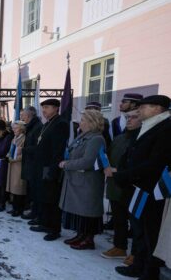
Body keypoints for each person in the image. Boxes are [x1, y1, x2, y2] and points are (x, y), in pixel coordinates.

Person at [109, 95, 171, 280]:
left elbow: (155, 163)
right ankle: (138, 265)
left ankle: (150, 275)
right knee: (139, 229)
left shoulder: (166, 128)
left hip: (152, 190)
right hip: (136, 187)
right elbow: (133, 153)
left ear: (157, 108)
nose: (140, 110)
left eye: (144, 107)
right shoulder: (148, 125)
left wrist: (126, 175)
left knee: (151, 232)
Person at [58, 110, 106, 250]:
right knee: (80, 211)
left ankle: (88, 239)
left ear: (92, 123)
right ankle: (80, 235)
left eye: (84, 120)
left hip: (88, 182)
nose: (81, 122)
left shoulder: (96, 139)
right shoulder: (83, 136)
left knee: (87, 211)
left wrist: (67, 164)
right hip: (78, 179)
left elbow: (88, 161)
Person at [101, 108, 142, 261]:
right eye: (128, 117)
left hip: (132, 185)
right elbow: (109, 155)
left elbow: (140, 165)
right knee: (119, 218)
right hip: (115, 184)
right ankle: (120, 247)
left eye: (134, 117)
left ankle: (136, 254)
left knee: (136, 222)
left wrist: (117, 170)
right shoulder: (120, 138)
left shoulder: (141, 139)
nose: (129, 120)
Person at [30, 99, 70, 241]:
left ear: (56, 108)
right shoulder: (48, 123)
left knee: (52, 199)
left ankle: (54, 229)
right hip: (42, 167)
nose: (44, 110)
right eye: (43, 108)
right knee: (43, 197)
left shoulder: (60, 124)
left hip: (51, 167)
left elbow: (57, 150)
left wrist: (53, 169)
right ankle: (44, 223)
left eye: (47, 107)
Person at [20, 106, 43, 221]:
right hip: (30, 164)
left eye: (23, 115)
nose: (22, 118)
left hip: (34, 165)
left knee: (35, 191)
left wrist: (24, 150)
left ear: (28, 116)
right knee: (31, 190)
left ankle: (36, 213)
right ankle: (33, 211)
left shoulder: (37, 127)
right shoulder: (31, 127)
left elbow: (38, 147)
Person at [6, 121, 27, 217]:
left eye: (16, 128)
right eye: (13, 128)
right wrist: (8, 155)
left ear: (21, 129)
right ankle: (14, 208)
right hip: (12, 165)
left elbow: (24, 154)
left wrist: (14, 159)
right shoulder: (14, 138)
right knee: (14, 188)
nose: (14, 130)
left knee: (18, 188)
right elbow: (11, 150)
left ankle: (19, 209)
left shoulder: (24, 138)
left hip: (19, 166)